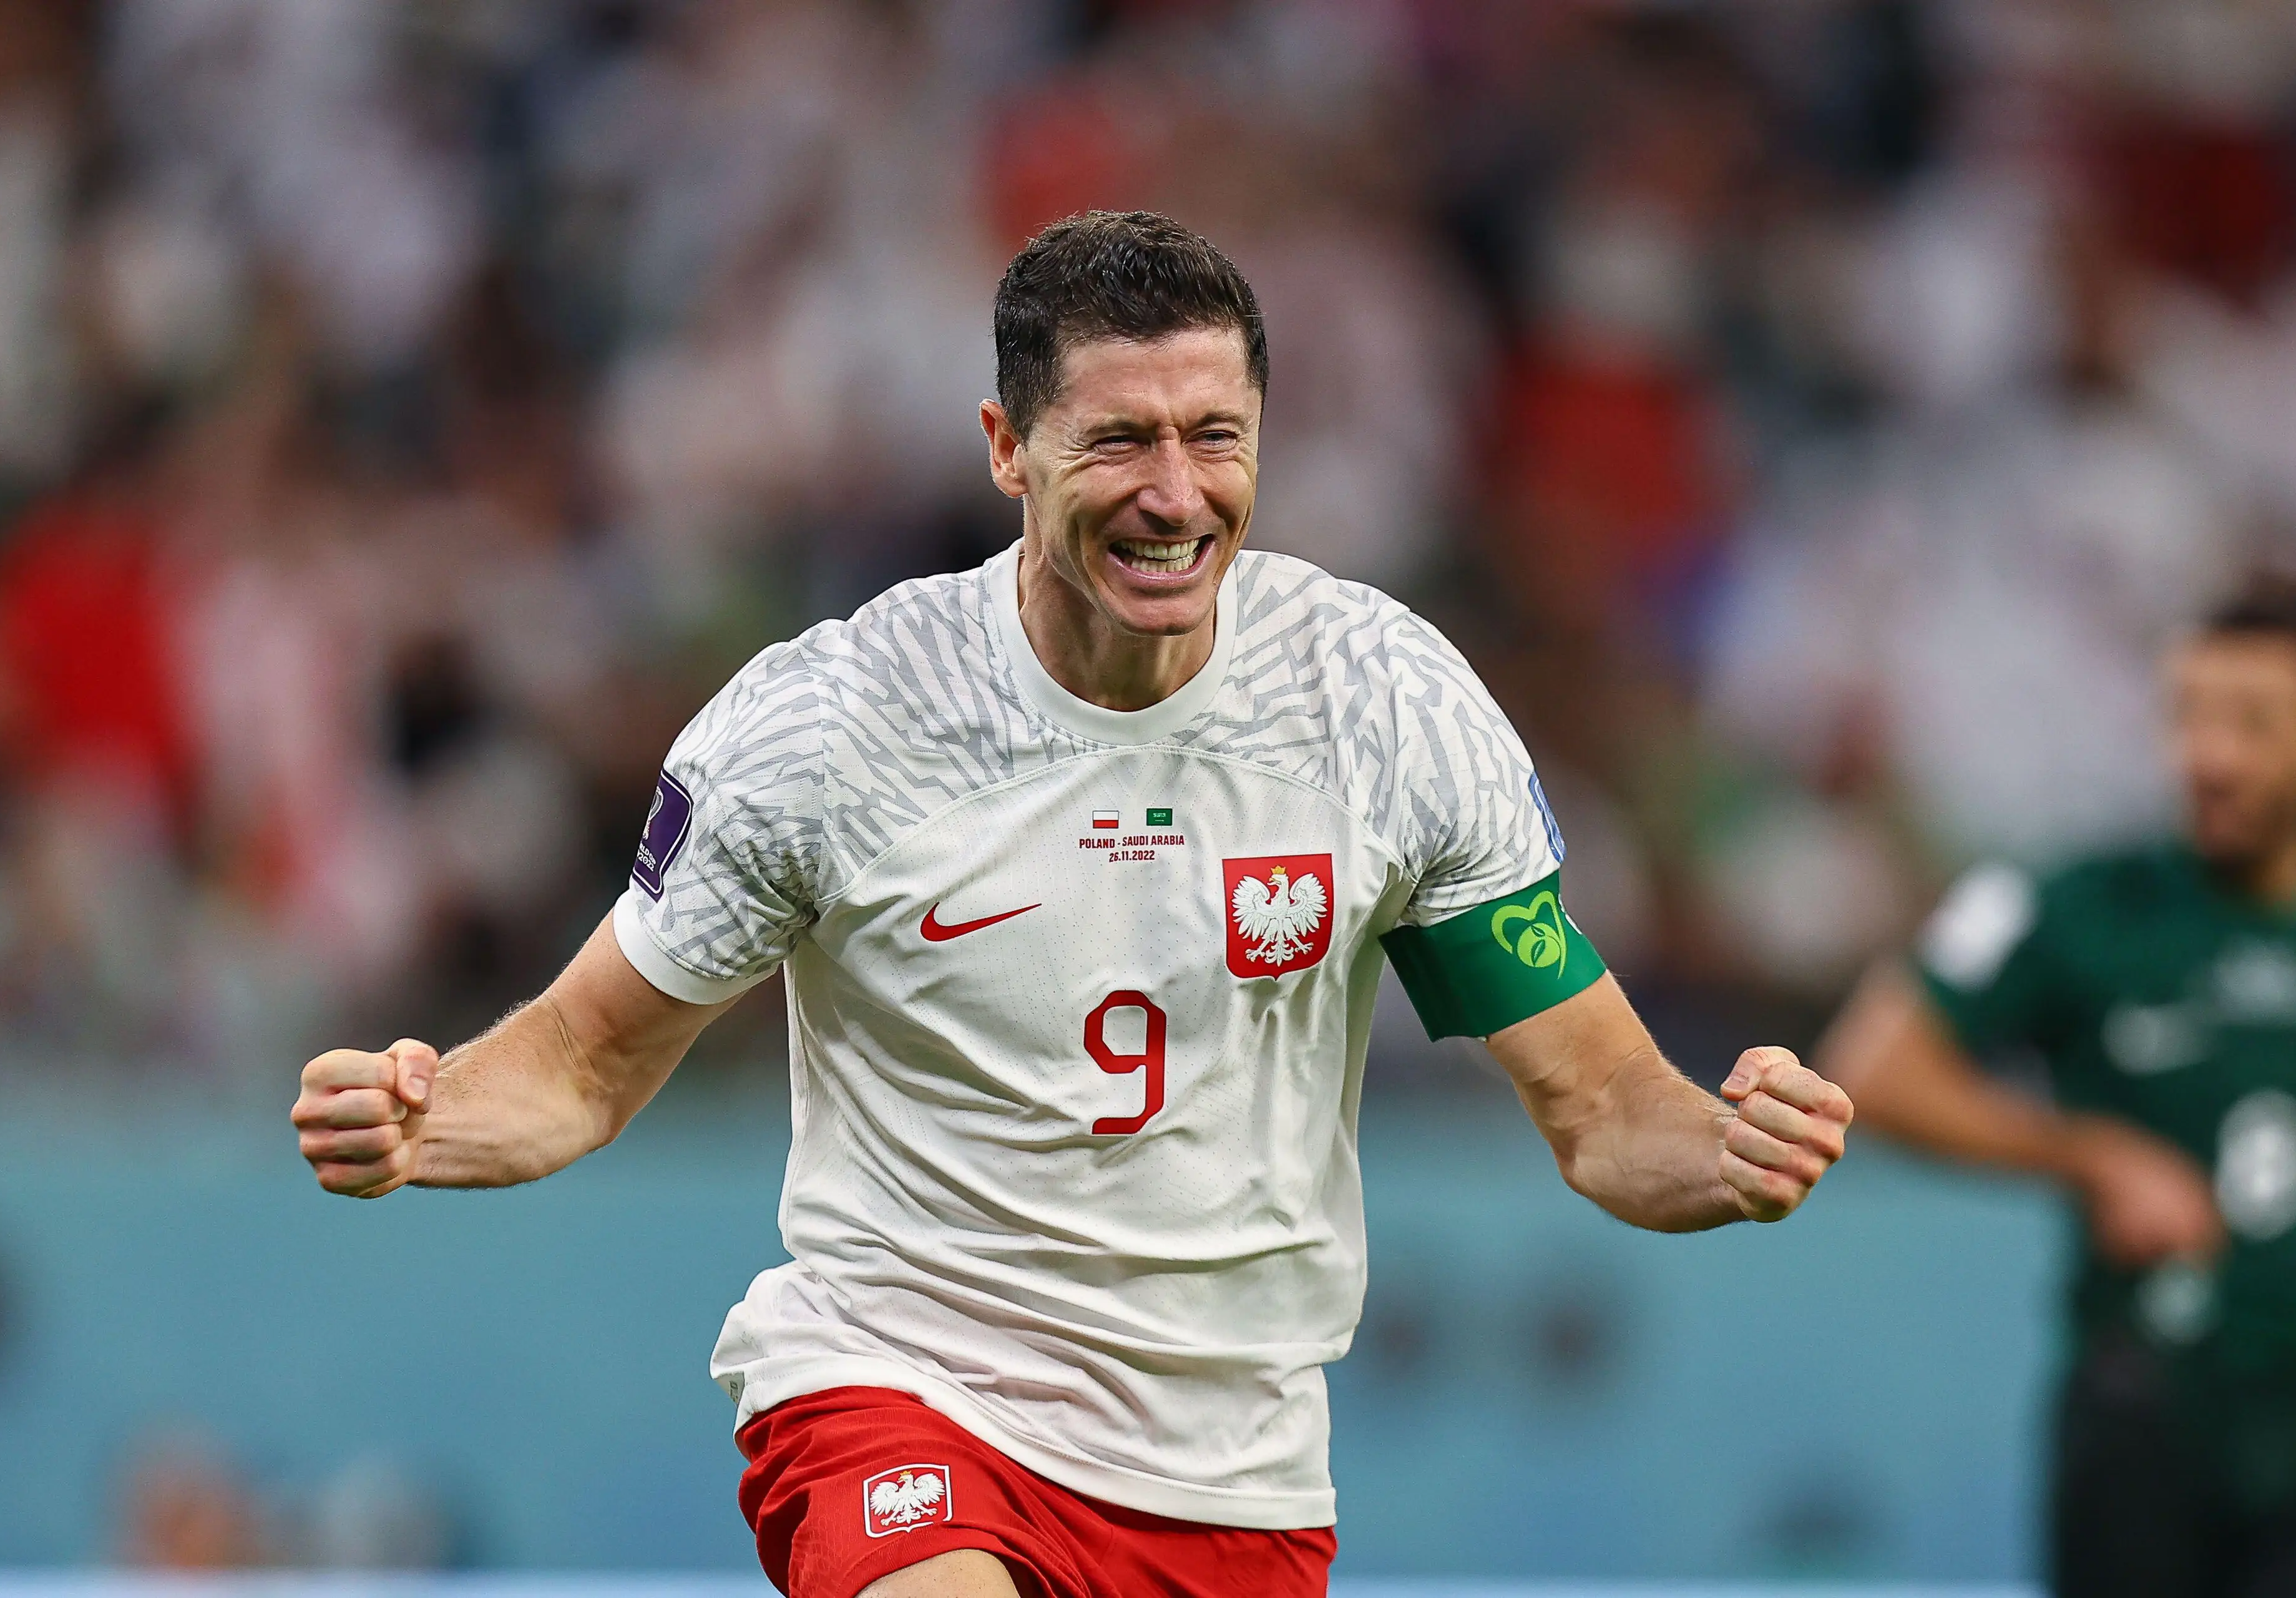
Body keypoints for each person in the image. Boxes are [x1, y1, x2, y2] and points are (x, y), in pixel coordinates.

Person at [291, 211, 1852, 1598]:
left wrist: (1723, 1143)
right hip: (904, 1386)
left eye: (1214, 435)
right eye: (1119, 441)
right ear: (1005, 444)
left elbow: (1601, 1111)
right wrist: (425, 1119)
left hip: (1232, 1474)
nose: (1177, 496)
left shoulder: (1382, 708)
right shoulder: (834, 728)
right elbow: (577, 1063)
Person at [1820, 585, 2296, 1598]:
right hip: (2156, 1409)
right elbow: (1873, 1066)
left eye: (2253, 724)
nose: (2210, 757)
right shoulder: (2085, 904)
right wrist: (2091, 1153)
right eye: (2189, 717)